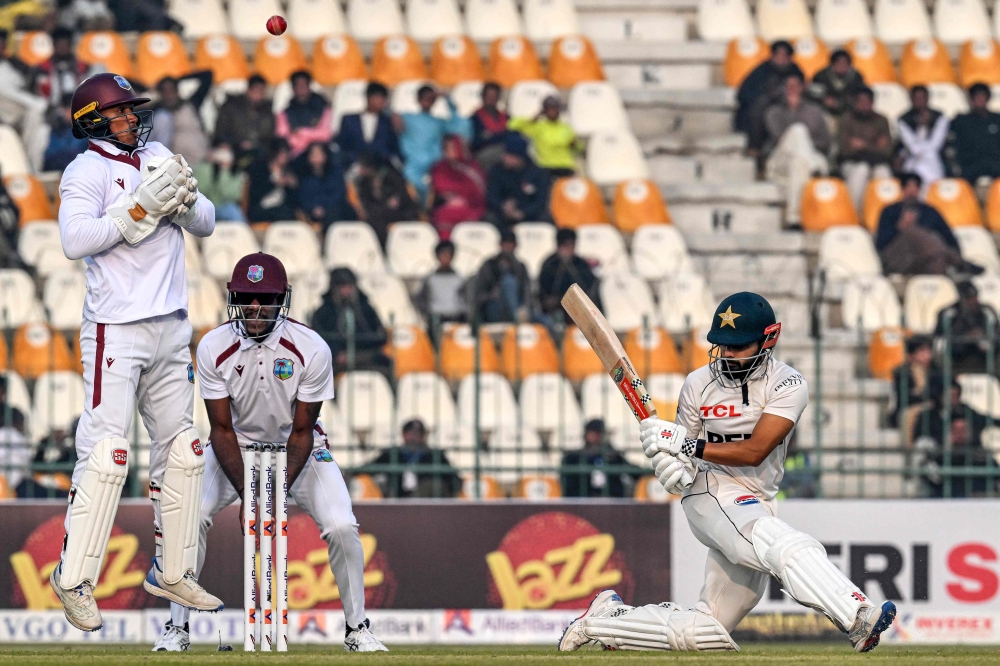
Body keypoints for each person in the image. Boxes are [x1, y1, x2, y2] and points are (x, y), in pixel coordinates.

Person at [559, 292, 896, 653]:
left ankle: (605, 620)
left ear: (768, 339)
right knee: (784, 546)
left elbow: (755, 451)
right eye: (720, 346)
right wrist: (670, 466)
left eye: (737, 347)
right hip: (710, 491)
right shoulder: (697, 383)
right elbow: (683, 466)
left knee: (705, 632)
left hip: (758, 498)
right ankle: (858, 616)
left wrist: (684, 446)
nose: (726, 355)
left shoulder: (788, 384)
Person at [51, 72, 219, 632]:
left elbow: (208, 222)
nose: (132, 120)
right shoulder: (85, 170)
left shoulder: (159, 153)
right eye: (120, 113)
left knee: (185, 453)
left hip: (171, 323)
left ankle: (172, 570)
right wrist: (139, 212)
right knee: (107, 456)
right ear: (94, 121)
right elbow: (75, 241)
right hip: (115, 329)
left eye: (131, 111)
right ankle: (72, 577)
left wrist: (186, 204)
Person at [153, 253, 387, 652]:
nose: (255, 307)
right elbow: (221, 429)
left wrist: (271, 495)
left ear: (283, 300)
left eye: (265, 298)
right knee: (189, 519)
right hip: (235, 446)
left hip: (298, 448)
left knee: (343, 526)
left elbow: (301, 431)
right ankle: (177, 630)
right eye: (245, 296)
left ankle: (357, 628)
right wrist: (251, 492)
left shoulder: (312, 348)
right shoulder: (213, 346)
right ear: (234, 299)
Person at [761, 72, 831, 225]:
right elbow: (780, 138)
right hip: (780, 159)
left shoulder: (815, 112)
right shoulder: (773, 112)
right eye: (788, 86)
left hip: (804, 158)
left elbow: (825, 142)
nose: (792, 89)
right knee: (798, 131)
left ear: (802, 88)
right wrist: (793, 112)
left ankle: (794, 218)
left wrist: (807, 145)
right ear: (783, 89)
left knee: (798, 163)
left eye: (795, 86)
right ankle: (813, 166)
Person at [913, 377, 993, 498]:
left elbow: (986, 420)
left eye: (956, 394)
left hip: (966, 454)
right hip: (939, 452)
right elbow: (919, 437)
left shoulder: (965, 411)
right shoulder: (928, 415)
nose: (953, 398)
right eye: (949, 394)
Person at [875, 172, 968, 276]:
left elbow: (948, 236)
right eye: (908, 186)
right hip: (898, 257)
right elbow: (881, 243)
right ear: (902, 189)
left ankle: (944, 283)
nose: (912, 190)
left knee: (937, 258)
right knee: (913, 231)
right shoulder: (890, 211)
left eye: (915, 187)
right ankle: (959, 263)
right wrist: (899, 227)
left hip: (924, 259)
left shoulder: (930, 212)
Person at [310, 267, 391, 376]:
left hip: (366, 357)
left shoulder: (365, 309)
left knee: (386, 365)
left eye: (349, 286)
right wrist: (336, 353)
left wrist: (355, 353)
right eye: (343, 287)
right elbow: (317, 341)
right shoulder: (323, 312)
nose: (347, 291)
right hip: (335, 361)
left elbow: (381, 337)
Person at [397, 84, 470, 201]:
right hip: (413, 168)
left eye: (431, 98)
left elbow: (462, 127)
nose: (427, 101)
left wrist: (448, 99)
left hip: (435, 167)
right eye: (424, 97)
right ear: (418, 99)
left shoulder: (439, 122)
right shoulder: (406, 118)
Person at [356, 419, 462, 498]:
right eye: (410, 433)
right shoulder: (393, 454)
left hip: (427, 505)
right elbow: (370, 468)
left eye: (418, 433)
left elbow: (454, 480)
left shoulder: (434, 455)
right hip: (397, 501)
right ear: (403, 435)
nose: (414, 437)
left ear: (423, 436)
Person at [738, 40, 804, 145]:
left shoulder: (795, 71)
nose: (782, 58)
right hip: (763, 109)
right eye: (779, 55)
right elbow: (744, 95)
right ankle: (755, 147)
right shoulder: (761, 71)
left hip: (790, 106)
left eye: (785, 55)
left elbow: (802, 89)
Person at [837, 87, 894, 208]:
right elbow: (845, 149)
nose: (864, 105)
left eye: (867, 102)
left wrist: (863, 145)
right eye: (860, 102)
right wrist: (874, 145)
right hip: (852, 163)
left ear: (872, 103)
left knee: (883, 172)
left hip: (878, 162)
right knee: (861, 170)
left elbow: (887, 150)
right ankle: (854, 213)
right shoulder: (846, 120)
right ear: (855, 103)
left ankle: (882, 215)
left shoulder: (882, 120)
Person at [352, 153, 421, 247]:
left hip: (399, 211)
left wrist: (395, 199)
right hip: (378, 213)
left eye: (363, 167)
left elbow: (403, 195)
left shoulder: (392, 176)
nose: (361, 170)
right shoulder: (363, 183)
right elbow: (366, 202)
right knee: (373, 221)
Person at [485, 132, 550, 231]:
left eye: (510, 156)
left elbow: (540, 201)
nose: (505, 159)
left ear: (519, 157)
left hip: (529, 214)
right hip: (503, 214)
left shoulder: (537, 173)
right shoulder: (497, 171)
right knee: (490, 218)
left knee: (545, 218)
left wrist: (524, 212)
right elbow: (492, 196)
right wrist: (503, 207)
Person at [559, 419, 641, 498]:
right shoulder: (573, 458)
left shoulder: (612, 456)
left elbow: (632, 471)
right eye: (594, 434)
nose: (597, 437)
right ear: (586, 435)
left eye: (600, 434)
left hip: (612, 502)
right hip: (583, 502)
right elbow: (567, 485)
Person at [934, 280, 1000, 375]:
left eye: (975, 297)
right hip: (958, 357)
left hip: (985, 356)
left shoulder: (986, 311)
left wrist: (985, 338)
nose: (973, 301)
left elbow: (997, 333)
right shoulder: (949, 313)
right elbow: (940, 337)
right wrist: (966, 337)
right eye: (969, 298)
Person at [507, 95, 582, 178]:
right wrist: (533, 118)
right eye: (549, 108)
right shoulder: (539, 127)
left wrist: (575, 145)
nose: (552, 111)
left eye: (555, 108)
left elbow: (579, 149)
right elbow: (512, 125)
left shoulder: (566, 127)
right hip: (545, 166)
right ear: (544, 110)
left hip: (565, 165)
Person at [428, 134, 486, 239]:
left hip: (472, 208)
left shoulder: (471, 167)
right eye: (446, 148)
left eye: (452, 147)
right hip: (448, 207)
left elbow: (479, 191)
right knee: (442, 215)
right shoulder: (439, 167)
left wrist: (463, 198)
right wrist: (452, 196)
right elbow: (440, 186)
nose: (448, 151)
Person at [148, 73, 212, 167]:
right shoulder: (157, 111)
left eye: (172, 89)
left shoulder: (192, 104)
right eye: (165, 91)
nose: (169, 94)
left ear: (177, 90)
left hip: (202, 156)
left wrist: (179, 78)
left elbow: (207, 75)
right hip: (178, 163)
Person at [469, 229, 532, 324]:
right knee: (508, 282)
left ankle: (518, 316)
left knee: (546, 321)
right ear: (500, 245)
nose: (507, 248)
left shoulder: (521, 267)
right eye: (505, 244)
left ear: (515, 246)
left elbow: (527, 293)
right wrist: (492, 295)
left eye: (510, 245)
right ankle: (517, 318)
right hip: (493, 308)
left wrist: (525, 308)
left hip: (518, 307)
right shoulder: (488, 265)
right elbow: (477, 294)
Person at [537, 228, 600, 322]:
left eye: (572, 245)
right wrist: (563, 265)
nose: (570, 249)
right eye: (566, 246)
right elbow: (545, 290)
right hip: (555, 309)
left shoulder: (580, 263)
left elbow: (588, 286)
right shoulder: (550, 264)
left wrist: (569, 266)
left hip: (578, 306)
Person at [336, 81, 399, 168]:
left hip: (379, 166)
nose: (383, 103)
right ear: (369, 98)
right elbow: (343, 145)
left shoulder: (387, 122)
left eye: (384, 100)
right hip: (353, 164)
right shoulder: (349, 120)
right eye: (380, 99)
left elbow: (392, 147)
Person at [897, 85, 949, 188]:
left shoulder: (940, 117)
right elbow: (913, 148)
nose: (919, 101)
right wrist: (921, 128)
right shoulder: (903, 120)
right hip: (913, 160)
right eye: (916, 98)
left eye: (922, 98)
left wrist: (928, 127)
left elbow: (935, 145)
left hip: (934, 159)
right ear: (911, 99)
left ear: (927, 99)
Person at [949, 83, 1000, 184]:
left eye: (983, 97)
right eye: (977, 97)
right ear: (971, 100)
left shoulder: (997, 119)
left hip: (996, 166)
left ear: (988, 99)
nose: (980, 100)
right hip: (970, 168)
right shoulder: (961, 121)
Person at [213, 75, 275, 159]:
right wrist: (236, 143)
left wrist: (255, 144)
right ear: (248, 91)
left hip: (259, 151)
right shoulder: (231, 107)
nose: (258, 96)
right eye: (256, 91)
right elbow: (220, 132)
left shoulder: (267, 111)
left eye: (261, 92)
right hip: (233, 148)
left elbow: (269, 136)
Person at [293, 141, 352, 228]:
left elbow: (339, 194)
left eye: (319, 154)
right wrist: (313, 208)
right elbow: (303, 197)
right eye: (313, 154)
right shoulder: (304, 176)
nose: (316, 157)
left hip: (334, 210)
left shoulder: (335, 173)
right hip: (312, 212)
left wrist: (324, 207)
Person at [275, 70, 333, 158]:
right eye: (298, 85)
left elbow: (326, 134)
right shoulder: (285, 112)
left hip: (320, 152)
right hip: (295, 153)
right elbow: (283, 134)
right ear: (293, 88)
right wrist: (300, 143)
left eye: (304, 85)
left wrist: (303, 133)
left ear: (309, 86)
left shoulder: (323, 107)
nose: (301, 88)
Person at [414, 240, 467, 330]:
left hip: (456, 319)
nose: (445, 258)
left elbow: (466, 299)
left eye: (448, 255)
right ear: (437, 256)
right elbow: (420, 298)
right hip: (436, 319)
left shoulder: (460, 279)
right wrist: (426, 313)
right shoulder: (430, 279)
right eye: (443, 255)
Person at [889, 335, 936, 432]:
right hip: (908, 410)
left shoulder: (937, 370)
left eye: (929, 350)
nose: (928, 355)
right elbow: (905, 398)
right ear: (911, 354)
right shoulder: (901, 373)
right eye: (922, 351)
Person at [244, 137, 298, 223]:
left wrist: (292, 186)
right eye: (281, 154)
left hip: (281, 208)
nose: (284, 157)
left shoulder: (289, 171)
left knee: (288, 213)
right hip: (262, 208)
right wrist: (273, 183)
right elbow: (255, 194)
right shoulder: (260, 169)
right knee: (283, 214)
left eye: (286, 154)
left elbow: (293, 199)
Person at [34, 28, 90, 105]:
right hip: (49, 106)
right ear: (54, 45)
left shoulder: (82, 66)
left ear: (70, 45)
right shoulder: (43, 66)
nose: (62, 47)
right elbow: (36, 89)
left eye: (65, 44)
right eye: (59, 44)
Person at [193, 140, 246, 222]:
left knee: (233, 211)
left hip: (224, 208)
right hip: (204, 208)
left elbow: (231, 195)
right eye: (221, 151)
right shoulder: (205, 168)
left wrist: (223, 171)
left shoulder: (237, 173)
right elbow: (201, 190)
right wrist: (210, 166)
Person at [807, 49, 865, 119]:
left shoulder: (856, 77)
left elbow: (861, 96)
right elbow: (812, 95)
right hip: (825, 112)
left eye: (845, 63)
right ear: (832, 64)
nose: (841, 66)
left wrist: (843, 102)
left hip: (848, 113)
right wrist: (824, 99)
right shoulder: (821, 76)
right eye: (839, 63)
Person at [43, 94, 89, 172]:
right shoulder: (56, 129)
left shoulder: (87, 131)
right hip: (59, 173)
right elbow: (49, 155)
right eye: (67, 110)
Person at [470, 82, 508, 174]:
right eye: (488, 95)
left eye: (494, 96)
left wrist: (491, 136)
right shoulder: (475, 118)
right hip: (484, 155)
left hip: (505, 153)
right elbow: (477, 142)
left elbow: (511, 136)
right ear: (483, 97)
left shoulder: (505, 117)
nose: (491, 99)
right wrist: (500, 135)